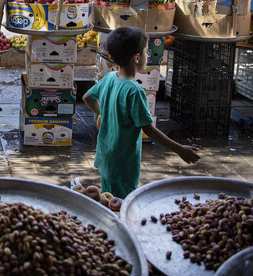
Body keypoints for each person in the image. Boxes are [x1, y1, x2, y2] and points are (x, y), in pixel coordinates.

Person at [83, 27, 200, 198]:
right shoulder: (134, 91)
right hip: (124, 162)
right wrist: (179, 149)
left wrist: (105, 114)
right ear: (136, 57)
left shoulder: (108, 78)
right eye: (146, 51)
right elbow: (148, 129)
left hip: (106, 156)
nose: (148, 54)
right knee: (122, 203)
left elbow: (87, 97)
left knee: (108, 199)